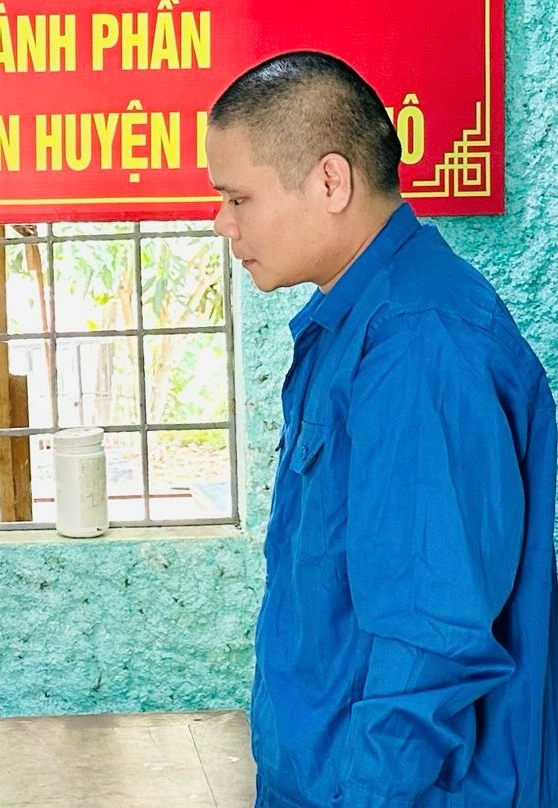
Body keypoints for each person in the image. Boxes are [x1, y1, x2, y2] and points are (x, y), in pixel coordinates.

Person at [205, 51, 558, 807]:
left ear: (330, 181)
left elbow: (428, 643)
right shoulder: (351, 326)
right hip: (324, 773)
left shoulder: (419, 343)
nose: (220, 222)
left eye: (237, 197)